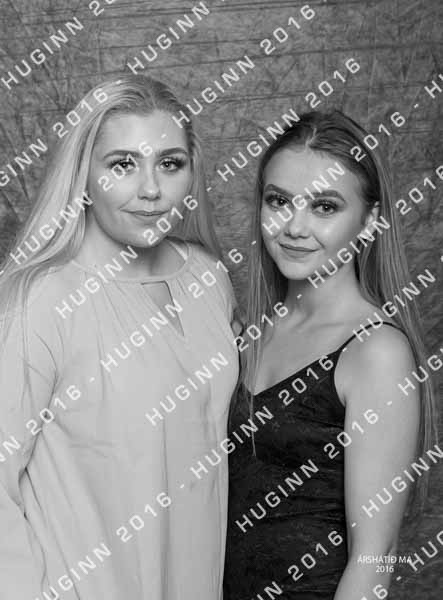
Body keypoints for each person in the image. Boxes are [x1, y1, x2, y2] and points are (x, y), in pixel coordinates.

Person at [0, 74, 239, 600]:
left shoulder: (208, 278)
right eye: (123, 164)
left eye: (170, 164)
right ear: (82, 175)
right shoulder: (40, 301)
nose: (150, 190)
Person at [223, 110, 437, 599]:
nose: (295, 227)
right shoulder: (247, 333)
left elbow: (376, 556)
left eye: (324, 207)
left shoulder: (375, 351)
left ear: (369, 221)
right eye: (279, 201)